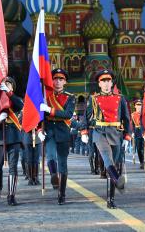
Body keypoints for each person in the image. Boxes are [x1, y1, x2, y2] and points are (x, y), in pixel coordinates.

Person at [81, 69, 131, 209]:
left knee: (113, 165)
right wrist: (84, 132)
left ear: (112, 82)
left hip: (116, 133)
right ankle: (118, 180)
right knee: (107, 159)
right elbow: (86, 116)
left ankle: (110, 199)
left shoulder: (120, 98)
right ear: (99, 83)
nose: (106, 83)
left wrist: (127, 136)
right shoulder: (93, 98)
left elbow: (126, 119)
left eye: (108, 80)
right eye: (103, 81)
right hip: (99, 132)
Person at [38, 68, 76, 205]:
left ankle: (62, 193)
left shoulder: (70, 97)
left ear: (65, 81)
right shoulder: (45, 95)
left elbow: (68, 114)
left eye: (61, 79)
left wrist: (50, 110)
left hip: (63, 132)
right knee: (50, 156)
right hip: (49, 131)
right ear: (51, 80)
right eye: (55, 79)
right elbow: (38, 115)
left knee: (63, 163)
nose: (58, 81)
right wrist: (38, 130)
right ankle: (54, 176)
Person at [0, 77, 24, 206]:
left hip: (14, 137)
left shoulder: (16, 99)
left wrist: (9, 93)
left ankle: (11, 195)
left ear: (12, 88)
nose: (6, 86)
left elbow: (20, 105)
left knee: (13, 168)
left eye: (9, 85)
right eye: (4, 84)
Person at [131, 99, 145, 169]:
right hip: (137, 132)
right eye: (138, 105)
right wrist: (132, 132)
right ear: (135, 106)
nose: (139, 106)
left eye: (140, 105)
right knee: (139, 149)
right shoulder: (133, 115)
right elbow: (132, 125)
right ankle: (142, 162)